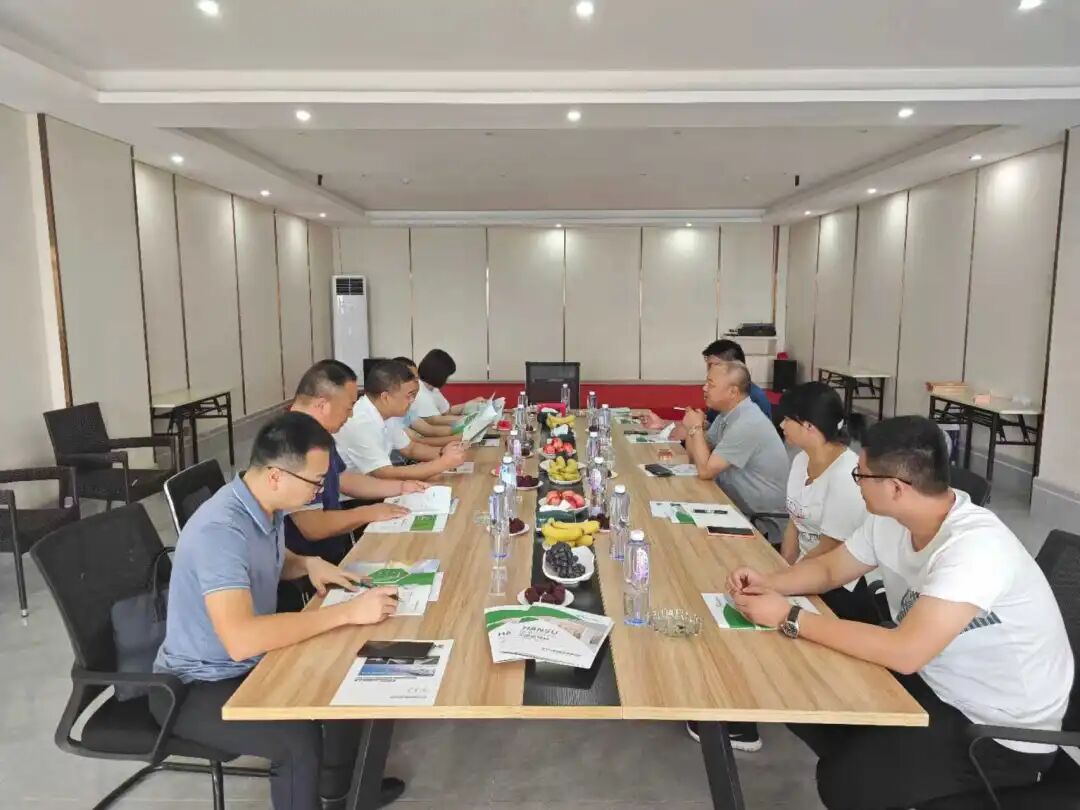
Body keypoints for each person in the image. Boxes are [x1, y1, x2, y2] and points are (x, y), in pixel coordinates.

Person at [728, 416, 1073, 810]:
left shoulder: (975, 549)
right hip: (938, 682)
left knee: (847, 783)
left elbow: (905, 653)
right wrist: (770, 583)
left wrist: (788, 617)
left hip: (999, 730)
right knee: (806, 696)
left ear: (895, 487)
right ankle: (874, 761)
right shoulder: (891, 520)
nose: (857, 482)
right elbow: (829, 570)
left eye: (861, 475)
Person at [153, 412, 404, 810]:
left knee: (349, 673)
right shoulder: (220, 531)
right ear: (275, 476)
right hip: (196, 684)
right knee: (295, 740)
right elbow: (241, 640)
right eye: (316, 482)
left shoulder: (262, 504)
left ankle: (346, 793)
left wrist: (307, 564)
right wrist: (345, 613)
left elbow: (266, 559)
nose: (319, 491)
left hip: (249, 660)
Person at [285, 360, 427, 564]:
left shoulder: (318, 433)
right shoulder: (293, 441)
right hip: (308, 564)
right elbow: (313, 526)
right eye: (349, 407)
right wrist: (369, 512)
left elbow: (343, 479)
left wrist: (401, 487)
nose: (351, 414)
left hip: (332, 551)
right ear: (323, 405)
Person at [776, 382, 878, 624]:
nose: (781, 425)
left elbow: (828, 548)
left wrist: (786, 582)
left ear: (809, 426)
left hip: (836, 584)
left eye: (787, 419)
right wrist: (783, 569)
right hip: (803, 571)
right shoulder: (801, 460)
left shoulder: (846, 474)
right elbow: (794, 521)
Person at [683, 360, 789, 517]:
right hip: (731, 501)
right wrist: (692, 429)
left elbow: (705, 471)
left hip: (758, 517)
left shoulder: (747, 422)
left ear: (733, 392)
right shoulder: (726, 414)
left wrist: (695, 428)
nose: (704, 388)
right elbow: (695, 459)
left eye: (711, 384)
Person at [337, 359, 468, 480]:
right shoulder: (361, 421)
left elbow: (410, 448)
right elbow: (384, 473)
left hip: (374, 484)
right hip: (356, 493)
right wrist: (442, 463)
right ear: (385, 397)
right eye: (409, 396)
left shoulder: (388, 413)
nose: (412, 401)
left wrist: (444, 452)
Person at [642, 338, 772, 436]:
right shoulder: (720, 397)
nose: (710, 372)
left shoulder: (753, 400)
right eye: (709, 366)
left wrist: (694, 429)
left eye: (714, 366)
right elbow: (706, 428)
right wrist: (663, 423)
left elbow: (702, 435)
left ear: (735, 368)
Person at [411, 348, 482, 422]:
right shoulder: (419, 391)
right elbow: (436, 420)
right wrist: (471, 418)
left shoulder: (433, 389)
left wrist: (471, 404)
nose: (447, 380)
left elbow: (447, 412)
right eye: (446, 376)